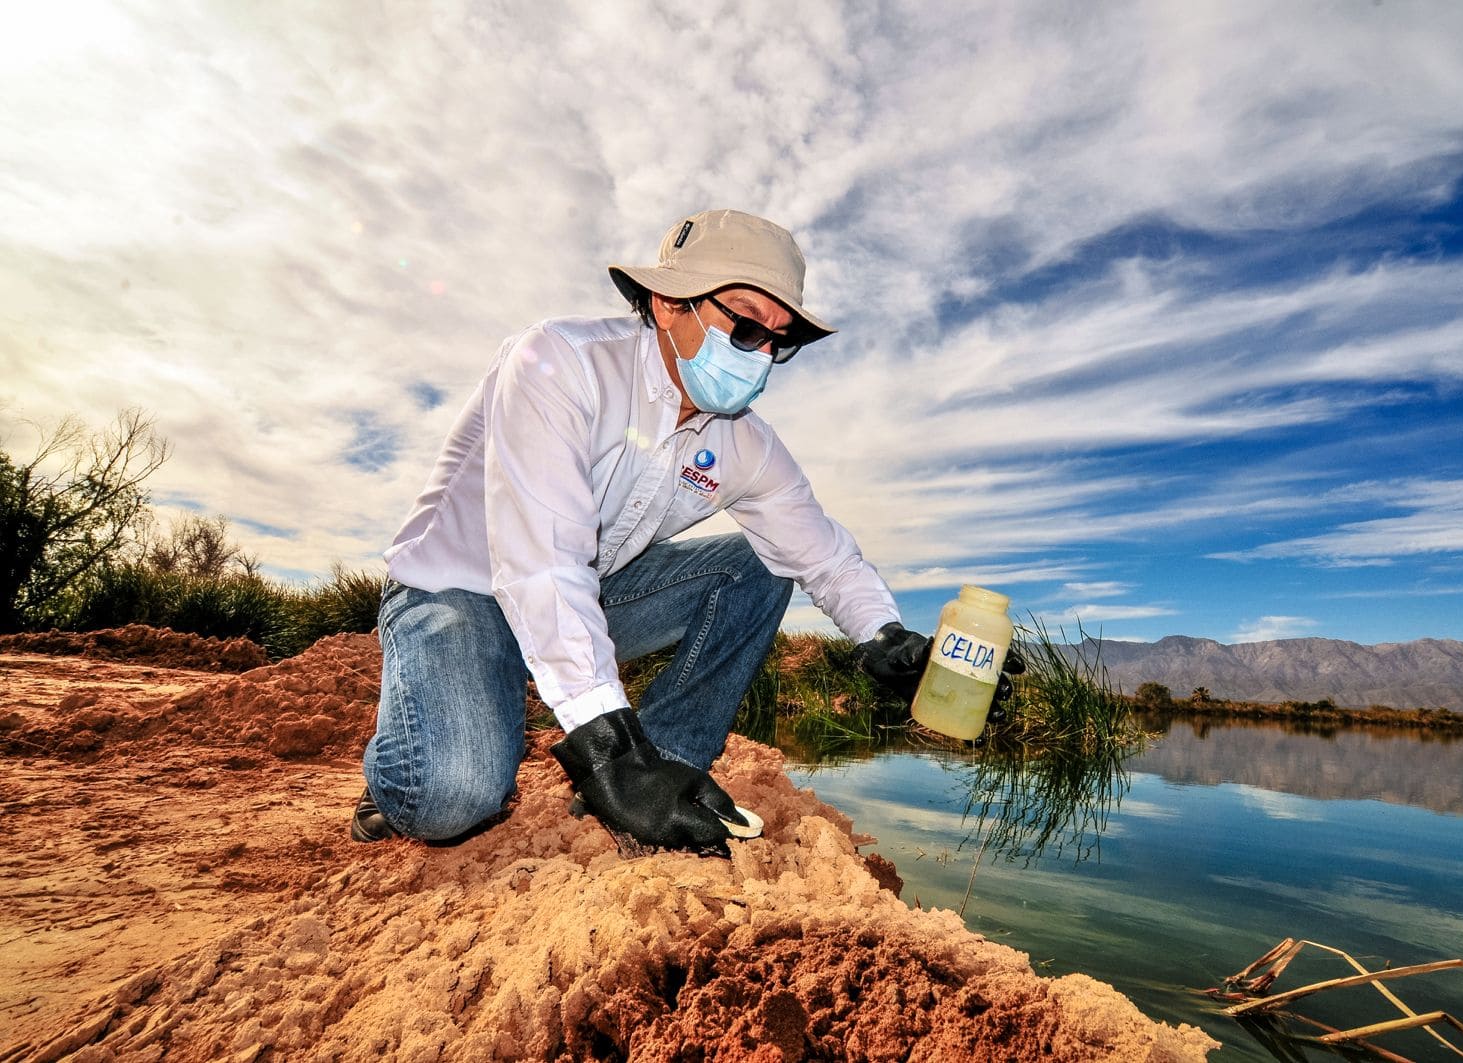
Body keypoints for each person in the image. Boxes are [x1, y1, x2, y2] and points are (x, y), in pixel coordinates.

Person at [351, 208, 1018, 855]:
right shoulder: (558, 364)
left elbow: (823, 552)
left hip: (596, 592)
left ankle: (661, 764)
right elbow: (543, 563)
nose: (760, 355)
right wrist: (610, 753)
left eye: (777, 340)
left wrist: (887, 635)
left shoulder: (746, 444)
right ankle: (403, 768)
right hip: (457, 590)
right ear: (671, 303)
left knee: (761, 563)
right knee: (451, 797)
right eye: (745, 325)